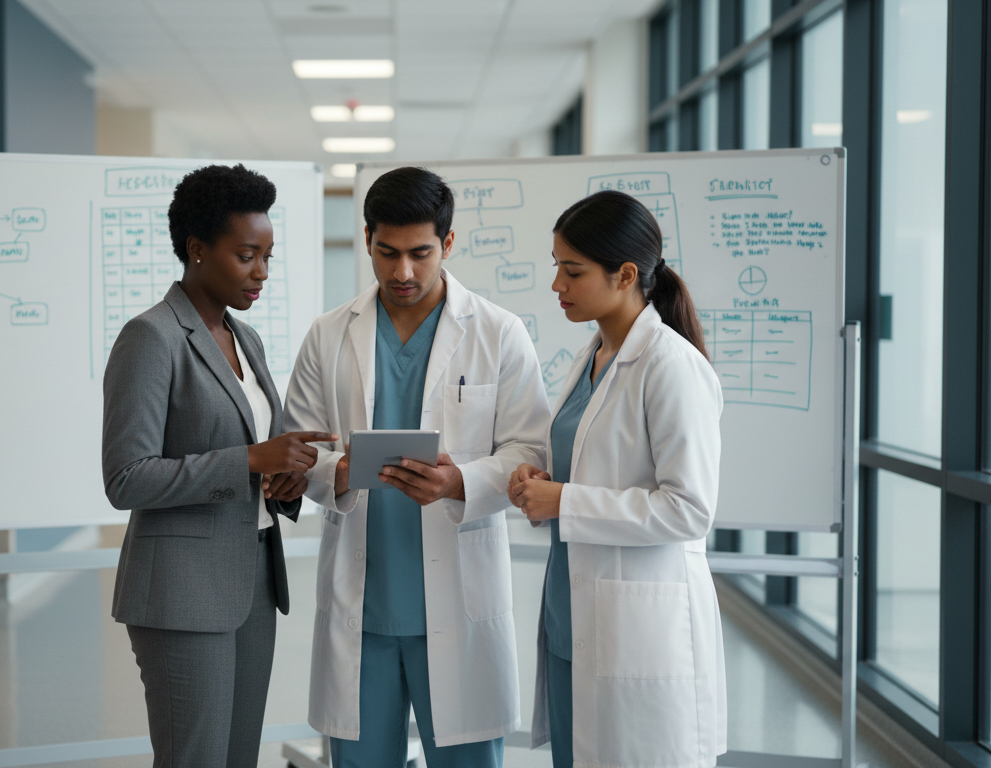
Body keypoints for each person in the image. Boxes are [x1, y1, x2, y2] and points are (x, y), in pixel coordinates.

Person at [283, 166, 551, 767]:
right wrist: (339, 474)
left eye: (420, 254)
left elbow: (530, 451)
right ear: (369, 241)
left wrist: (462, 480)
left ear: (448, 245)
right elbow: (296, 448)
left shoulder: (500, 334)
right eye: (387, 253)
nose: (402, 272)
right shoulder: (329, 336)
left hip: (458, 601)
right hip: (364, 610)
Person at [102, 164, 339, 768]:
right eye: (246, 255)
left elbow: (257, 462)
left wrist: (283, 479)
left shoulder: (246, 338)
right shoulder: (150, 338)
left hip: (252, 582)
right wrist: (252, 459)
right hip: (181, 591)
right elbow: (126, 478)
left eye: (267, 255)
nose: (261, 272)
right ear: (197, 250)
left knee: (237, 758)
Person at [507, 189, 726, 768]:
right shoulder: (593, 355)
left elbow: (689, 510)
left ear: (626, 274)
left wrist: (566, 501)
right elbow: (596, 462)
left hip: (637, 623)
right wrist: (542, 480)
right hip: (571, 611)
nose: (557, 285)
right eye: (557, 267)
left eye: (572, 271)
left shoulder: (672, 367)